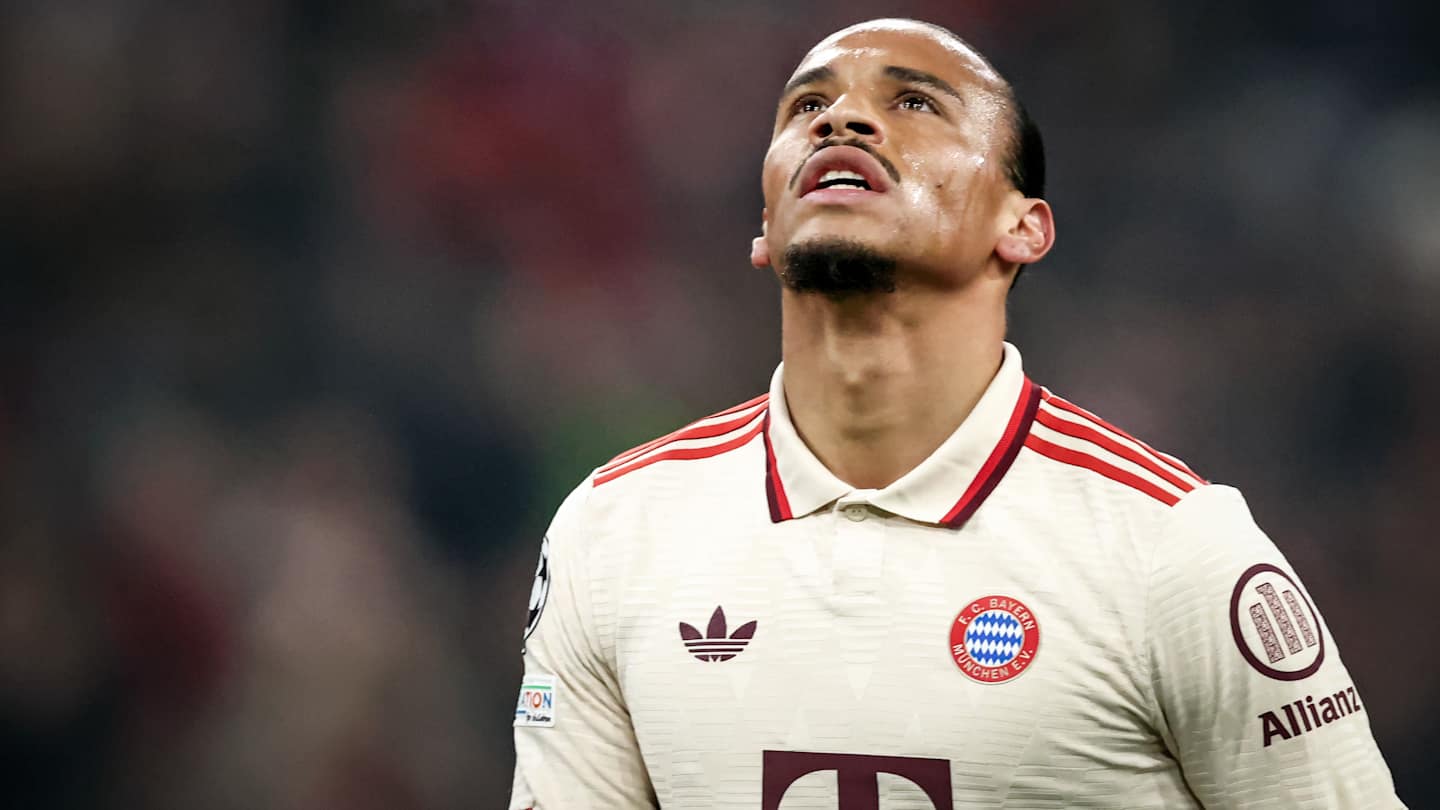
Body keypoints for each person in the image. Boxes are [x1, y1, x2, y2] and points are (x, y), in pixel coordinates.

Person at [509, 18, 1403, 809]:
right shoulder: (612, 534)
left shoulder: (1170, 549)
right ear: (766, 226)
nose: (842, 120)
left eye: (915, 104)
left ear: (1024, 228)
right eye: (807, 106)